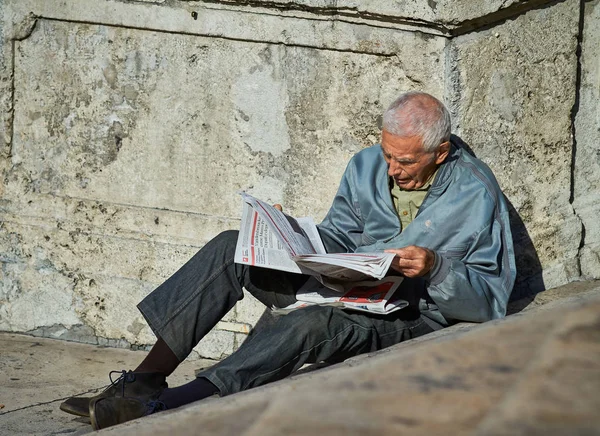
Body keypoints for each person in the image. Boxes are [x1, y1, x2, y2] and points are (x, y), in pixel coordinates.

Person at [60, 91, 515, 430]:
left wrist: (435, 267)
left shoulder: (475, 195)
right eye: (387, 155)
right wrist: (290, 235)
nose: (392, 170)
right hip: (350, 286)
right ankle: (145, 380)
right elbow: (340, 233)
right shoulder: (366, 166)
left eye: (406, 162)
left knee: (313, 323)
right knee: (230, 245)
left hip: (410, 315)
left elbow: (490, 302)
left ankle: (175, 404)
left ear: (440, 153)